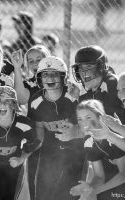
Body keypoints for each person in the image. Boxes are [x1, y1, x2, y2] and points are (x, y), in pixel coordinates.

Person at [28, 56, 84, 200]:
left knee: (69, 190)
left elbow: (86, 121)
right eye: (45, 74)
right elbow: (39, 126)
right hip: (50, 148)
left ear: (63, 77)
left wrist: (79, 98)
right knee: (44, 188)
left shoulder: (72, 95)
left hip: (75, 149)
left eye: (54, 74)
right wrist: (38, 144)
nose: (50, 78)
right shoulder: (36, 100)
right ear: (39, 78)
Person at [70, 99, 125, 200]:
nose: (83, 122)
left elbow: (124, 175)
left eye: (88, 117)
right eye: (79, 119)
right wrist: (89, 188)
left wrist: (94, 191)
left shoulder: (113, 136)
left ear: (99, 117)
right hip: (113, 184)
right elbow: (99, 176)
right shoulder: (88, 141)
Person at [69, 45, 125, 122]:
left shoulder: (112, 83)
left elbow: (101, 118)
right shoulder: (93, 87)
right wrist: (79, 96)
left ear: (101, 67)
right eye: (80, 67)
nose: (83, 71)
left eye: (88, 66)